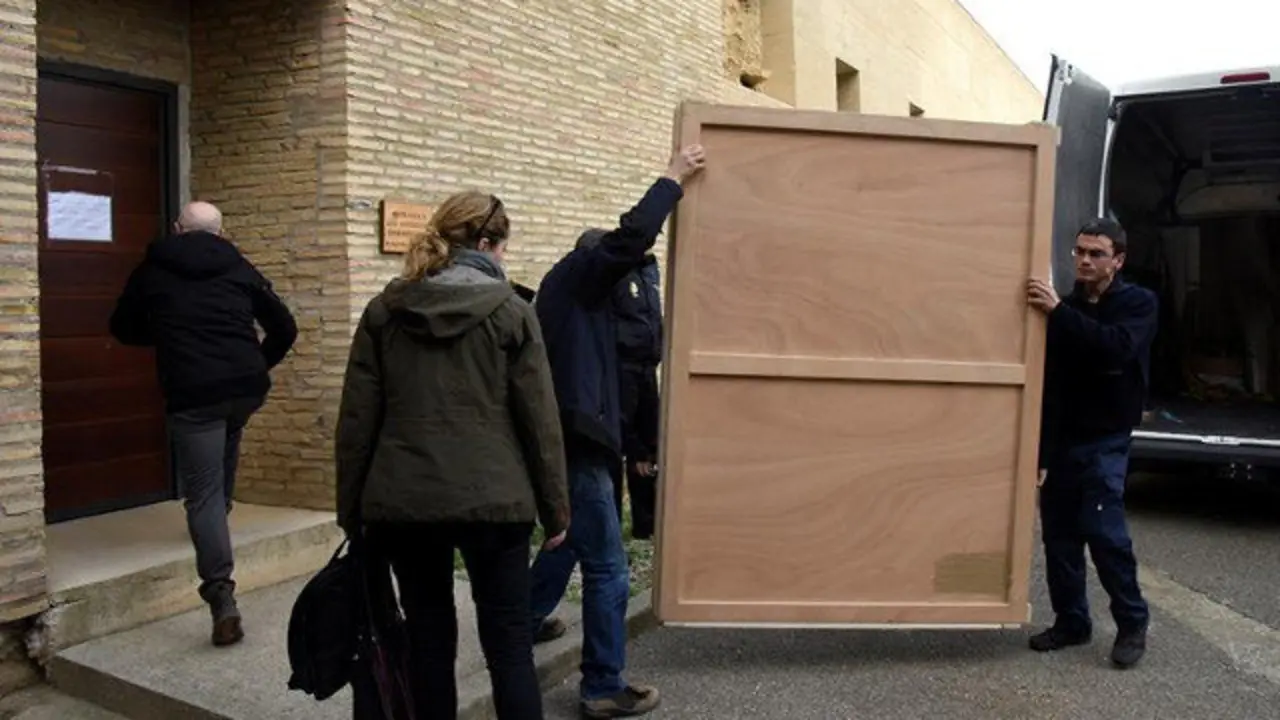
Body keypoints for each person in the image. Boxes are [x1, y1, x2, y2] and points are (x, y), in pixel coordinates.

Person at [334, 191, 571, 720]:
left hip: (405, 502)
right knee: (509, 647)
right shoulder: (512, 311)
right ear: (487, 244)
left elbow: (356, 422)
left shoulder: (384, 311)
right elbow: (540, 422)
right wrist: (557, 509)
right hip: (497, 500)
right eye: (503, 247)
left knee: (428, 642)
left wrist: (351, 509)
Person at [527, 144, 706, 719]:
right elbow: (631, 238)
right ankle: (602, 684)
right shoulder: (581, 277)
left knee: (572, 537)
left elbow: (630, 373)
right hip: (579, 440)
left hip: (587, 438)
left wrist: (640, 449)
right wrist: (671, 179)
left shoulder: (589, 307)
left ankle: (523, 618)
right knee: (607, 565)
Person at [109, 201, 298, 647]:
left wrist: (171, 334)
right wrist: (257, 363)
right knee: (226, 446)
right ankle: (219, 521)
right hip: (244, 387)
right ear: (219, 231)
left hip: (195, 391)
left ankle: (221, 596)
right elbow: (285, 328)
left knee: (204, 494)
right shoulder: (239, 266)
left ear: (177, 229)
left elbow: (122, 327)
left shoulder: (153, 269)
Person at [1026, 217, 1158, 669]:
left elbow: (1116, 347)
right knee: (1060, 538)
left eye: (1095, 253)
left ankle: (1132, 623)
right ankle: (1072, 623)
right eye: (1079, 251)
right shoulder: (1063, 303)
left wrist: (1059, 313)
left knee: (1105, 535)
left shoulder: (1138, 304)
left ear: (1117, 261)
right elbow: (1053, 385)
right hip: (1064, 440)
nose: (1084, 260)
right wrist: (1040, 452)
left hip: (1106, 441)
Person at [610, 252, 663, 540]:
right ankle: (611, 525)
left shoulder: (649, 271)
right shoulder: (619, 269)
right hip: (623, 367)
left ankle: (647, 525)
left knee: (649, 444)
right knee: (622, 440)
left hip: (648, 367)